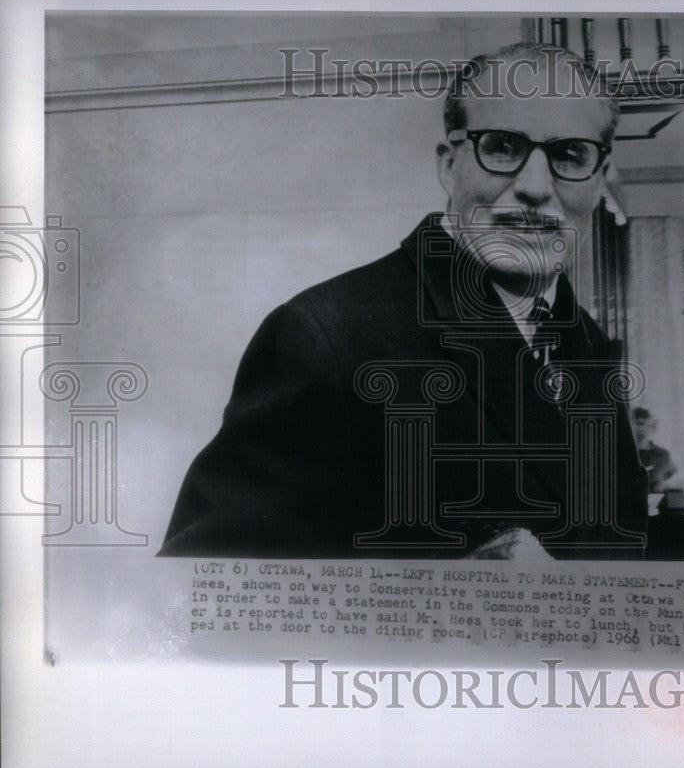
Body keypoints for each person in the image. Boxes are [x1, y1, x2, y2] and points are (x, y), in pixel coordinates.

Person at [158, 42, 649, 560]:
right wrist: (439, 597)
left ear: (599, 178)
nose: (534, 186)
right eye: (503, 147)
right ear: (448, 165)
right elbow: (201, 589)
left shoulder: (589, 340)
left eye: (570, 155)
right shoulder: (325, 335)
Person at [631, 407, 678, 493]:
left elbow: (670, 473)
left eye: (650, 426)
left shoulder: (662, 454)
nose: (644, 429)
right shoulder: (621, 453)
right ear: (631, 425)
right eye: (640, 423)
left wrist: (662, 484)